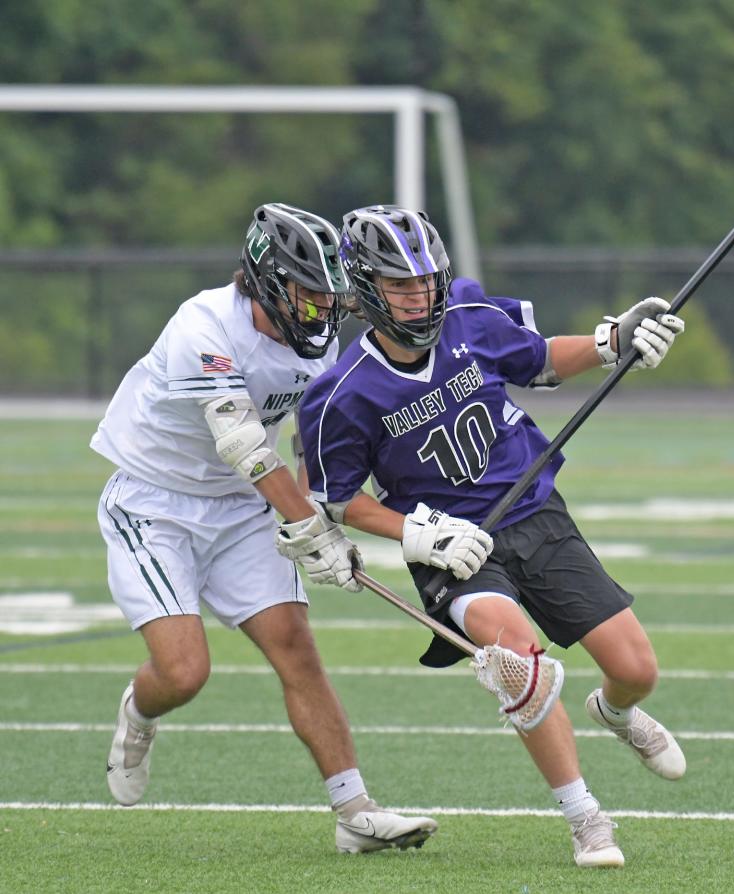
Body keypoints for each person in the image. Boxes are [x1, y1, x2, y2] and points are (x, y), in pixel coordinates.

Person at [295, 204, 687, 868]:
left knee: (635, 670)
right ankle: (586, 818)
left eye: (426, 281)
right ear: (364, 290)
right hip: (457, 549)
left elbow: (538, 360)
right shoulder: (341, 394)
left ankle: (616, 714)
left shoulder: (470, 320)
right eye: (400, 285)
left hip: (535, 513)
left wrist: (610, 343)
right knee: (518, 660)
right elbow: (335, 499)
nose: (420, 297)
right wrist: (417, 534)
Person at [90, 202, 438, 854]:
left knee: (295, 647)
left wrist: (319, 518)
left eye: (328, 297)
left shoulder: (321, 337)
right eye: (306, 296)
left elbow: (302, 446)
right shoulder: (202, 325)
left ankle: (355, 813)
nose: (320, 310)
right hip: (154, 503)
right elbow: (245, 447)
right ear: (265, 280)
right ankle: (139, 714)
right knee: (185, 672)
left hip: (240, 509)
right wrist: (314, 532)